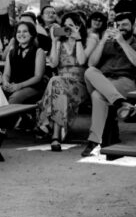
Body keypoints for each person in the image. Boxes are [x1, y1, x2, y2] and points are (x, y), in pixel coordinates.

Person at [81, 11, 136, 157]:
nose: (121, 28)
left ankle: (94, 140)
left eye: (124, 24)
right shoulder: (107, 43)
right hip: (104, 80)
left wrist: (122, 42)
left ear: (133, 26)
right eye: (118, 25)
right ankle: (121, 103)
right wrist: (102, 41)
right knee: (90, 71)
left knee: (97, 95)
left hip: (125, 81)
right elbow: (91, 63)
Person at [35, 12, 95, 152]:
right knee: (58, 85)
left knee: (55, 81)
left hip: (79, 85)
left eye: (71, 26)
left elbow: (81, 61)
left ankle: (45, 123)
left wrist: (78, 40)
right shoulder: (60, 42)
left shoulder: (88, 40)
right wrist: (54, 41)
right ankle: (55, 137)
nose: (67, 29)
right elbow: (54, 63)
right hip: (60, 86)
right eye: (65, 26)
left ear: (79, 27)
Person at [1, 21, 46, 106]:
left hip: (33, 87)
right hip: (14, 85)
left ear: (32, 34)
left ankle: (15, 119)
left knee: (14, 98)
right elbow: (6, 74)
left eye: (25, 31)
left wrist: (19, 86)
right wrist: (5, 83)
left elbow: (38, 77)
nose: (21, 34)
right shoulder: (11, 52)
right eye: (19, 32)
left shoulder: (39, 52)